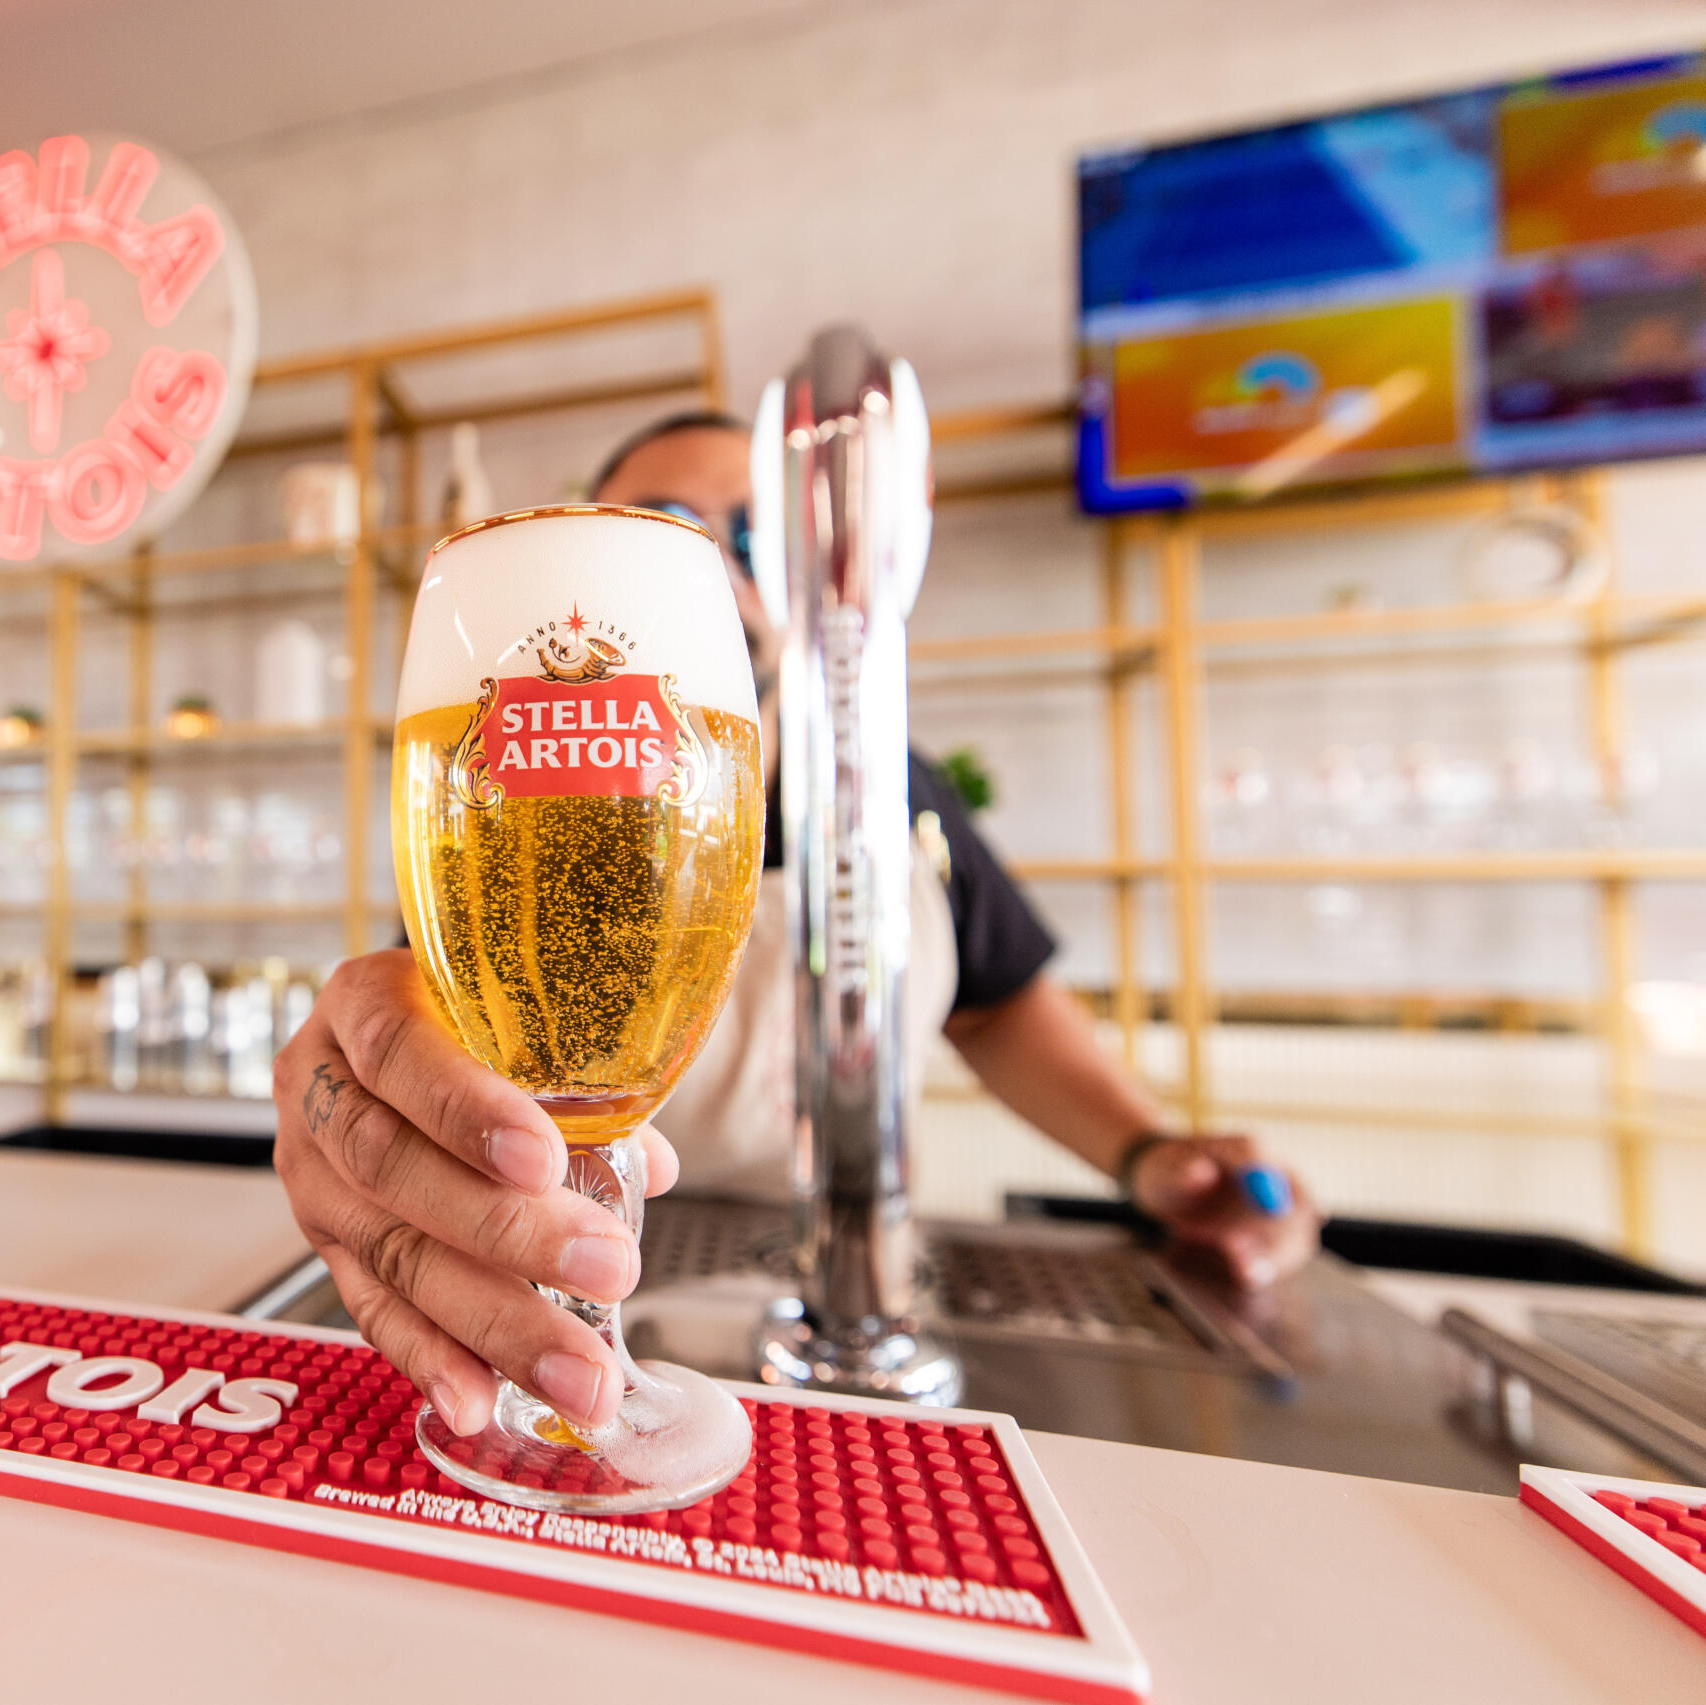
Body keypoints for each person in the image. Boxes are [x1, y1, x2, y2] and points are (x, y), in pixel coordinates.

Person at [272, 411, 1318, 1439]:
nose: (722, 564)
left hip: (846, 1283)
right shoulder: (516, 788)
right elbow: (428, 1019)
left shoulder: (891, 788)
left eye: (754, 538)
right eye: (669, 521)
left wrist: (1147, 1156)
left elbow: (999, 1009)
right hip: (549, 1267)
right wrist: (344, 1082)